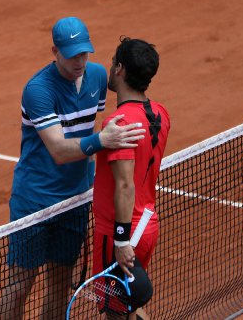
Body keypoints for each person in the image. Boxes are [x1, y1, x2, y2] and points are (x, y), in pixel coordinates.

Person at [0, 18, 146, 320]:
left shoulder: (97, 76)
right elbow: (59, 150)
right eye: (71, 54)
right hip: (34, 202)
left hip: (74, 199)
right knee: (20, 286)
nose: (79, 61)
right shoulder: (38, 90)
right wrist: (101, 140)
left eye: (84, 53)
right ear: (55, 51)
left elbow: (121, 97)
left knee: (60, 283)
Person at [93, 37, 170, 319]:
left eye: (114, 62)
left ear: (120, 70)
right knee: (130, 306)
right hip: (147, 226)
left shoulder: (120, 124)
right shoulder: (160, 114)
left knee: (116, 313)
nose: (110, 67)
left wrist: (121, 240)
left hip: (121, 230)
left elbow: (125, 185)